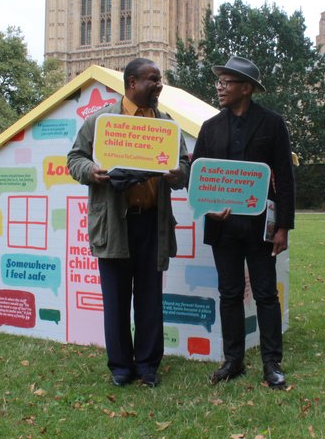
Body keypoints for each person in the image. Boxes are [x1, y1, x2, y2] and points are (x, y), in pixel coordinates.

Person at [67, 58, 190, 388]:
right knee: (116, 300)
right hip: (114, 226)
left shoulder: (166, 124)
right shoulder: (101, 122)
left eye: (160, 79)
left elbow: (183, 168)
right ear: (132, 83)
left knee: (150, 299)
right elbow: (74, 158)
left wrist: (180, 173)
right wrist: (90, 171)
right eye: (153, 79)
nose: (159, 85)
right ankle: (121, 366)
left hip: (153, 224)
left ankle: (148, 366)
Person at [193, 55, 295, 390]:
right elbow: (199, 178)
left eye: (227, 82)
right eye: (219, 82)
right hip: (224, 228)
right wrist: (207, 208)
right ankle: (233, 360)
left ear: (246, 88)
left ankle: (271, 363)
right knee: (229, 293)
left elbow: (284, 177)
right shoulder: (209, 128)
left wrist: (283, 227)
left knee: (266, 294)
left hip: (260, 227)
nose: (220, 88)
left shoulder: (272, 124)